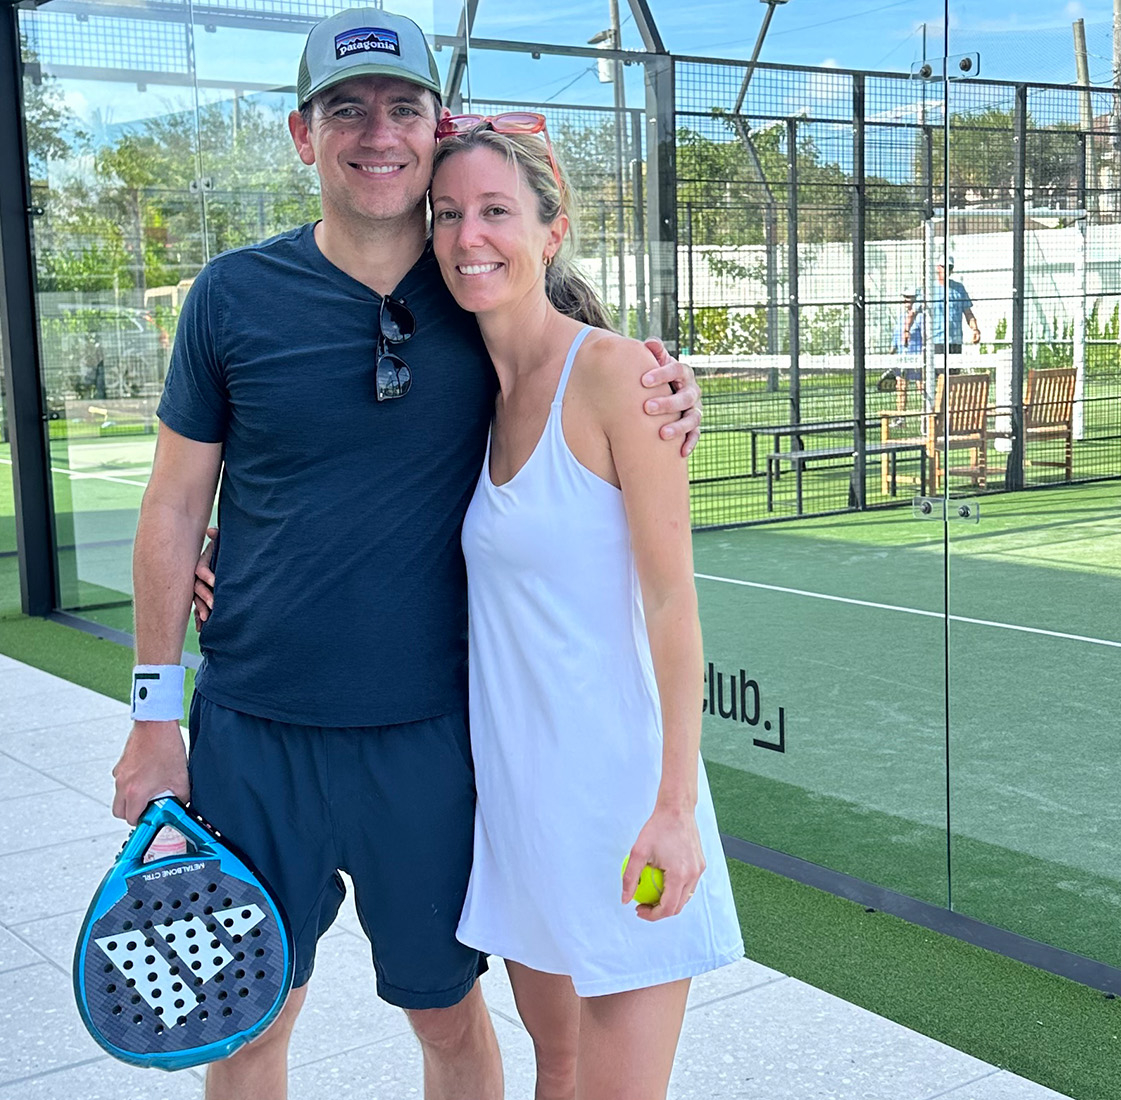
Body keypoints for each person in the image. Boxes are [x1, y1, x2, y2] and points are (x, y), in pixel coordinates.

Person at [110, 9, 700, 1100]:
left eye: (402, 108)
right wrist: (154, 709)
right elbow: (172, 505)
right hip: (254, 730)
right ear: (302, 135)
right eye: (346, 109)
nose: (375, 131)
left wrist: (669, 384)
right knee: (244, 1023)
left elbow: (582, 360)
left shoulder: (477, 289)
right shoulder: (231, 296)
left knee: (445, 1016)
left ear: (434, 127)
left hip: (431, 741)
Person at [432, 116, 743, 1100]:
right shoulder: (470, 392)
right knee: (554, 1069)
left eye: (495, 210)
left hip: (626, 814)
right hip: (525, 814)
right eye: (448, 214)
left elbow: (671, 602)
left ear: (550, 228)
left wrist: (673, 810)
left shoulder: (616, 376)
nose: (470, 235)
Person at [926, 257, 982, 355]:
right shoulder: (930, 289)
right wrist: (906, 330)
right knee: (940, 370)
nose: (947, 270)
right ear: (938, 268)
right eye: (944, 267)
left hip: (955, 340)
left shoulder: (959, 288)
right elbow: (914, 311)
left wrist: (975, 329)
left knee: (955, 369)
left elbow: (968, 313)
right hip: (936, 340)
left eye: (950, 267)